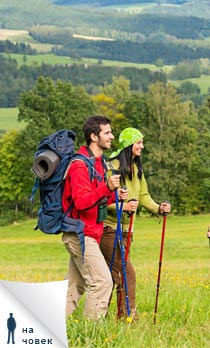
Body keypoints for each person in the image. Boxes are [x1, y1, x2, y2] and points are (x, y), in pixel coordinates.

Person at [62, 115, 128, 320]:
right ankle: (90, 334)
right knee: (101, 281)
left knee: (75, 285)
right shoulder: (80, 165)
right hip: (80, 233)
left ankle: (49, 324)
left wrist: (114, 195)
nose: (112, 136)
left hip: (91, 232)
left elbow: (97, 195)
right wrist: (107, 187)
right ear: (93, 136)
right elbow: (81, 202)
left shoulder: (99, 162)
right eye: (107, 132)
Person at [100, 127, 171, 318]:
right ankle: (128, 316)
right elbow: (103, 200)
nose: (142, 146)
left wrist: (158, 208)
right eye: (139, 142)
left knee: (113, 276)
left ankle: (103, 316)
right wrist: (123, 207)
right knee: (126, 273)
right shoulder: (111, 166)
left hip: (126, 232)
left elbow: (143, 196)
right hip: (109, 230)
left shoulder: (137, 169)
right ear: (129, 144)